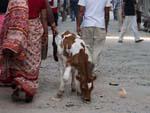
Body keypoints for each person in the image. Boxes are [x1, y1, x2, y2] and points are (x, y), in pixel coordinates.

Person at [0, 0, 57, 102]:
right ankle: (28, 90)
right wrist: (45, 32)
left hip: (18, 31)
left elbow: (9, 15)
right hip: (34, 29)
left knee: (18, 61)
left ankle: (18, 86)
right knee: (33, 60)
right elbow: (44, 17)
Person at [76, 0, 111, 72]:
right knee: (97, 49)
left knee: (87, 48)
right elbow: (106, 13)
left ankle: (88, 68)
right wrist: (106, 26)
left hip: (87, 25)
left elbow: (81, 11)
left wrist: (78, 26)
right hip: (100, 25)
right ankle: (93, 69)